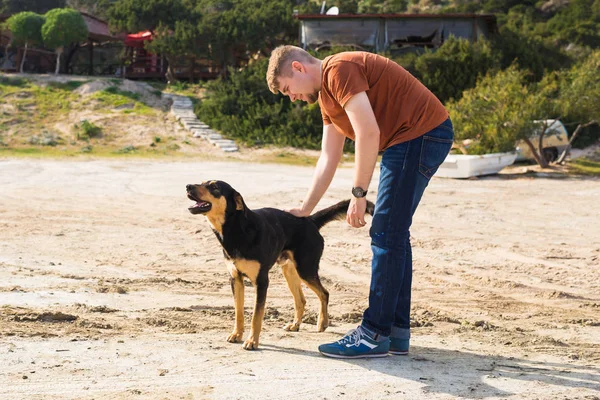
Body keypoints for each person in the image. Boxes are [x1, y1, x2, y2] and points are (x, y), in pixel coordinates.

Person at [266, 46, 453, 359]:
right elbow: (330, 155)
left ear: (298, 68)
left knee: (386, 233)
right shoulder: (326, 94)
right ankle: (395, 332)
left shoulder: (339, 70)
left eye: (287, 89)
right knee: (392, 233)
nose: (292, 98)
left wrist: (358, 194)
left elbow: (368, 132)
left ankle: (374, 333)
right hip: (411, 138)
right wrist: (305, 209)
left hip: (420, 133)